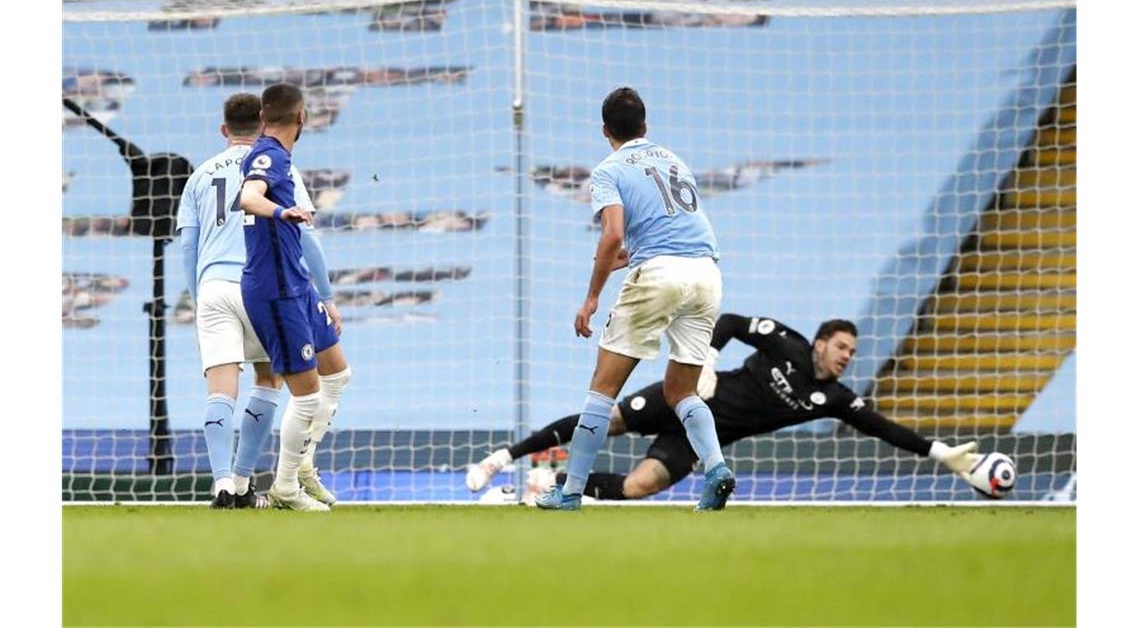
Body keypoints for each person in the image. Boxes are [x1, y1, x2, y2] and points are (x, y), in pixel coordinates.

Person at [469, 313, 981, 500]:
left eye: (852, 352)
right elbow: (732, 321)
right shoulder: (787, 343)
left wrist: (941, 452)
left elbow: (884, 428)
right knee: (603, 421)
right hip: (682, 396)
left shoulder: (837, 399)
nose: (847, 357)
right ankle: (502, 457)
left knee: (638, 486)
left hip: (705, 439)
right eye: (842, 347)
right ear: (822, 342)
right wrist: (708, 362)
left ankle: (541, 485)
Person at [535, 86, 732, 512]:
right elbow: (668, 231)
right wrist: (626, 258)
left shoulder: (609, 169)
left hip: (660, 275)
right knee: (681, 390)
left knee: (602, 389)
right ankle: (716, 467)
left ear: (605, 130)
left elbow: (612, 236)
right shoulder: (674, 160)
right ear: (646, 126)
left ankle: (569, 492)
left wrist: (591, 298)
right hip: (705, 273)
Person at [176, 92, 336, 509]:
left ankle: (222, 484)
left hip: (212, 288)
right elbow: (307, 238)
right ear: (263, 123)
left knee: (220, 388)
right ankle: (247, 484)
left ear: (224, 129)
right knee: (268, 380)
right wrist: (326, 295)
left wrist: (198, 301)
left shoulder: (200, 175)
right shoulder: (280, 165)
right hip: (260, 285)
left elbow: (187, 246)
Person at [239, 83, 352, 512]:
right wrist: (280, 211)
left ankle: (303, 464)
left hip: (297, 283)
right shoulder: (267, 155)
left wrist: (324, 294)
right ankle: (285, 487)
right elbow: (249, 197)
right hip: (275, 289)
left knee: (337, 375)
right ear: (302, 118)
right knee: (305, 395)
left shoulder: (283, 160)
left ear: (266, 114)